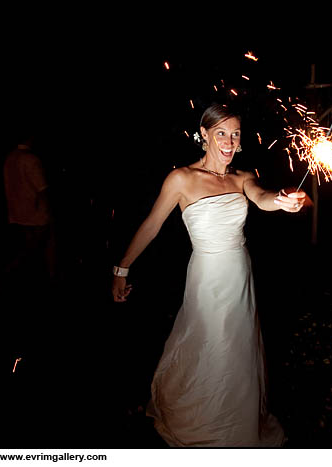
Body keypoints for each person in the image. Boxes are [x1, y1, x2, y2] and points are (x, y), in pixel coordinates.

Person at [111, 103, 311, 447]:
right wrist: (122, 268)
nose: (229, 141)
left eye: (235, 134)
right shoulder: (182, 178)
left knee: (239, 346)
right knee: (207, 342)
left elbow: (261, 198)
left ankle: (236, 422)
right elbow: (152, 224)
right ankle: (200, 415)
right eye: (221, 133)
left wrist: (283, 200)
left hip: (239, 274)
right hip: (206, 276)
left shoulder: (243, 177)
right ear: (204, 135)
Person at [3, 135, 57, 283]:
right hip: (36, 216)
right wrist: (50, 212)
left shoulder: (10, 158)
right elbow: (42, 189)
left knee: (26, 250)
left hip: (16, 214)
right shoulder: (31, 159)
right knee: (37, 249)